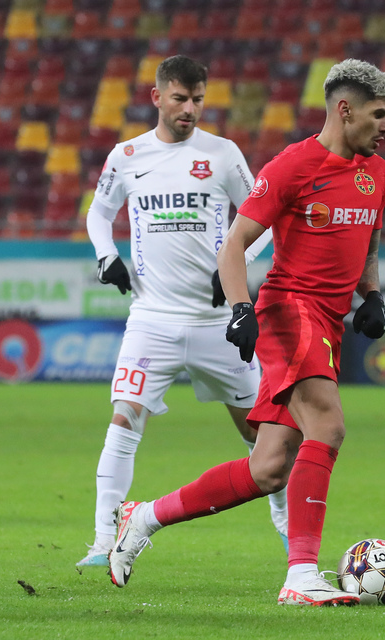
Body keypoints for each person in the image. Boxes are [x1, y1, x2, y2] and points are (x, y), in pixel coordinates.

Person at [106, 58, 385, 607]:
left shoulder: (376, 173)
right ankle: (301, 575)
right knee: (329, 427)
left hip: (329, 322)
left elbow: (370, 243)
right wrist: (242, 309)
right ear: (345, 109)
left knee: (267, 470)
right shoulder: (292, 166)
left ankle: (143, 517)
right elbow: (233, 245)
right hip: (292, 312)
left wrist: (373, 294)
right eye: (379, 115)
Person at [77, 54, 287, 571]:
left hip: (219, 324)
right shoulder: (127, 155)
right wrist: (107, 257)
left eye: (197, 99)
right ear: (157, 98)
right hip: (152, 319)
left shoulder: (223, 154)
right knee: (124, 417)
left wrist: (234, 266)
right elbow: (99, 213)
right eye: (179, 98)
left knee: (265, 435)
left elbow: (267, 222)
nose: (189, 108)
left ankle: (291, 541)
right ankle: (104, 540)